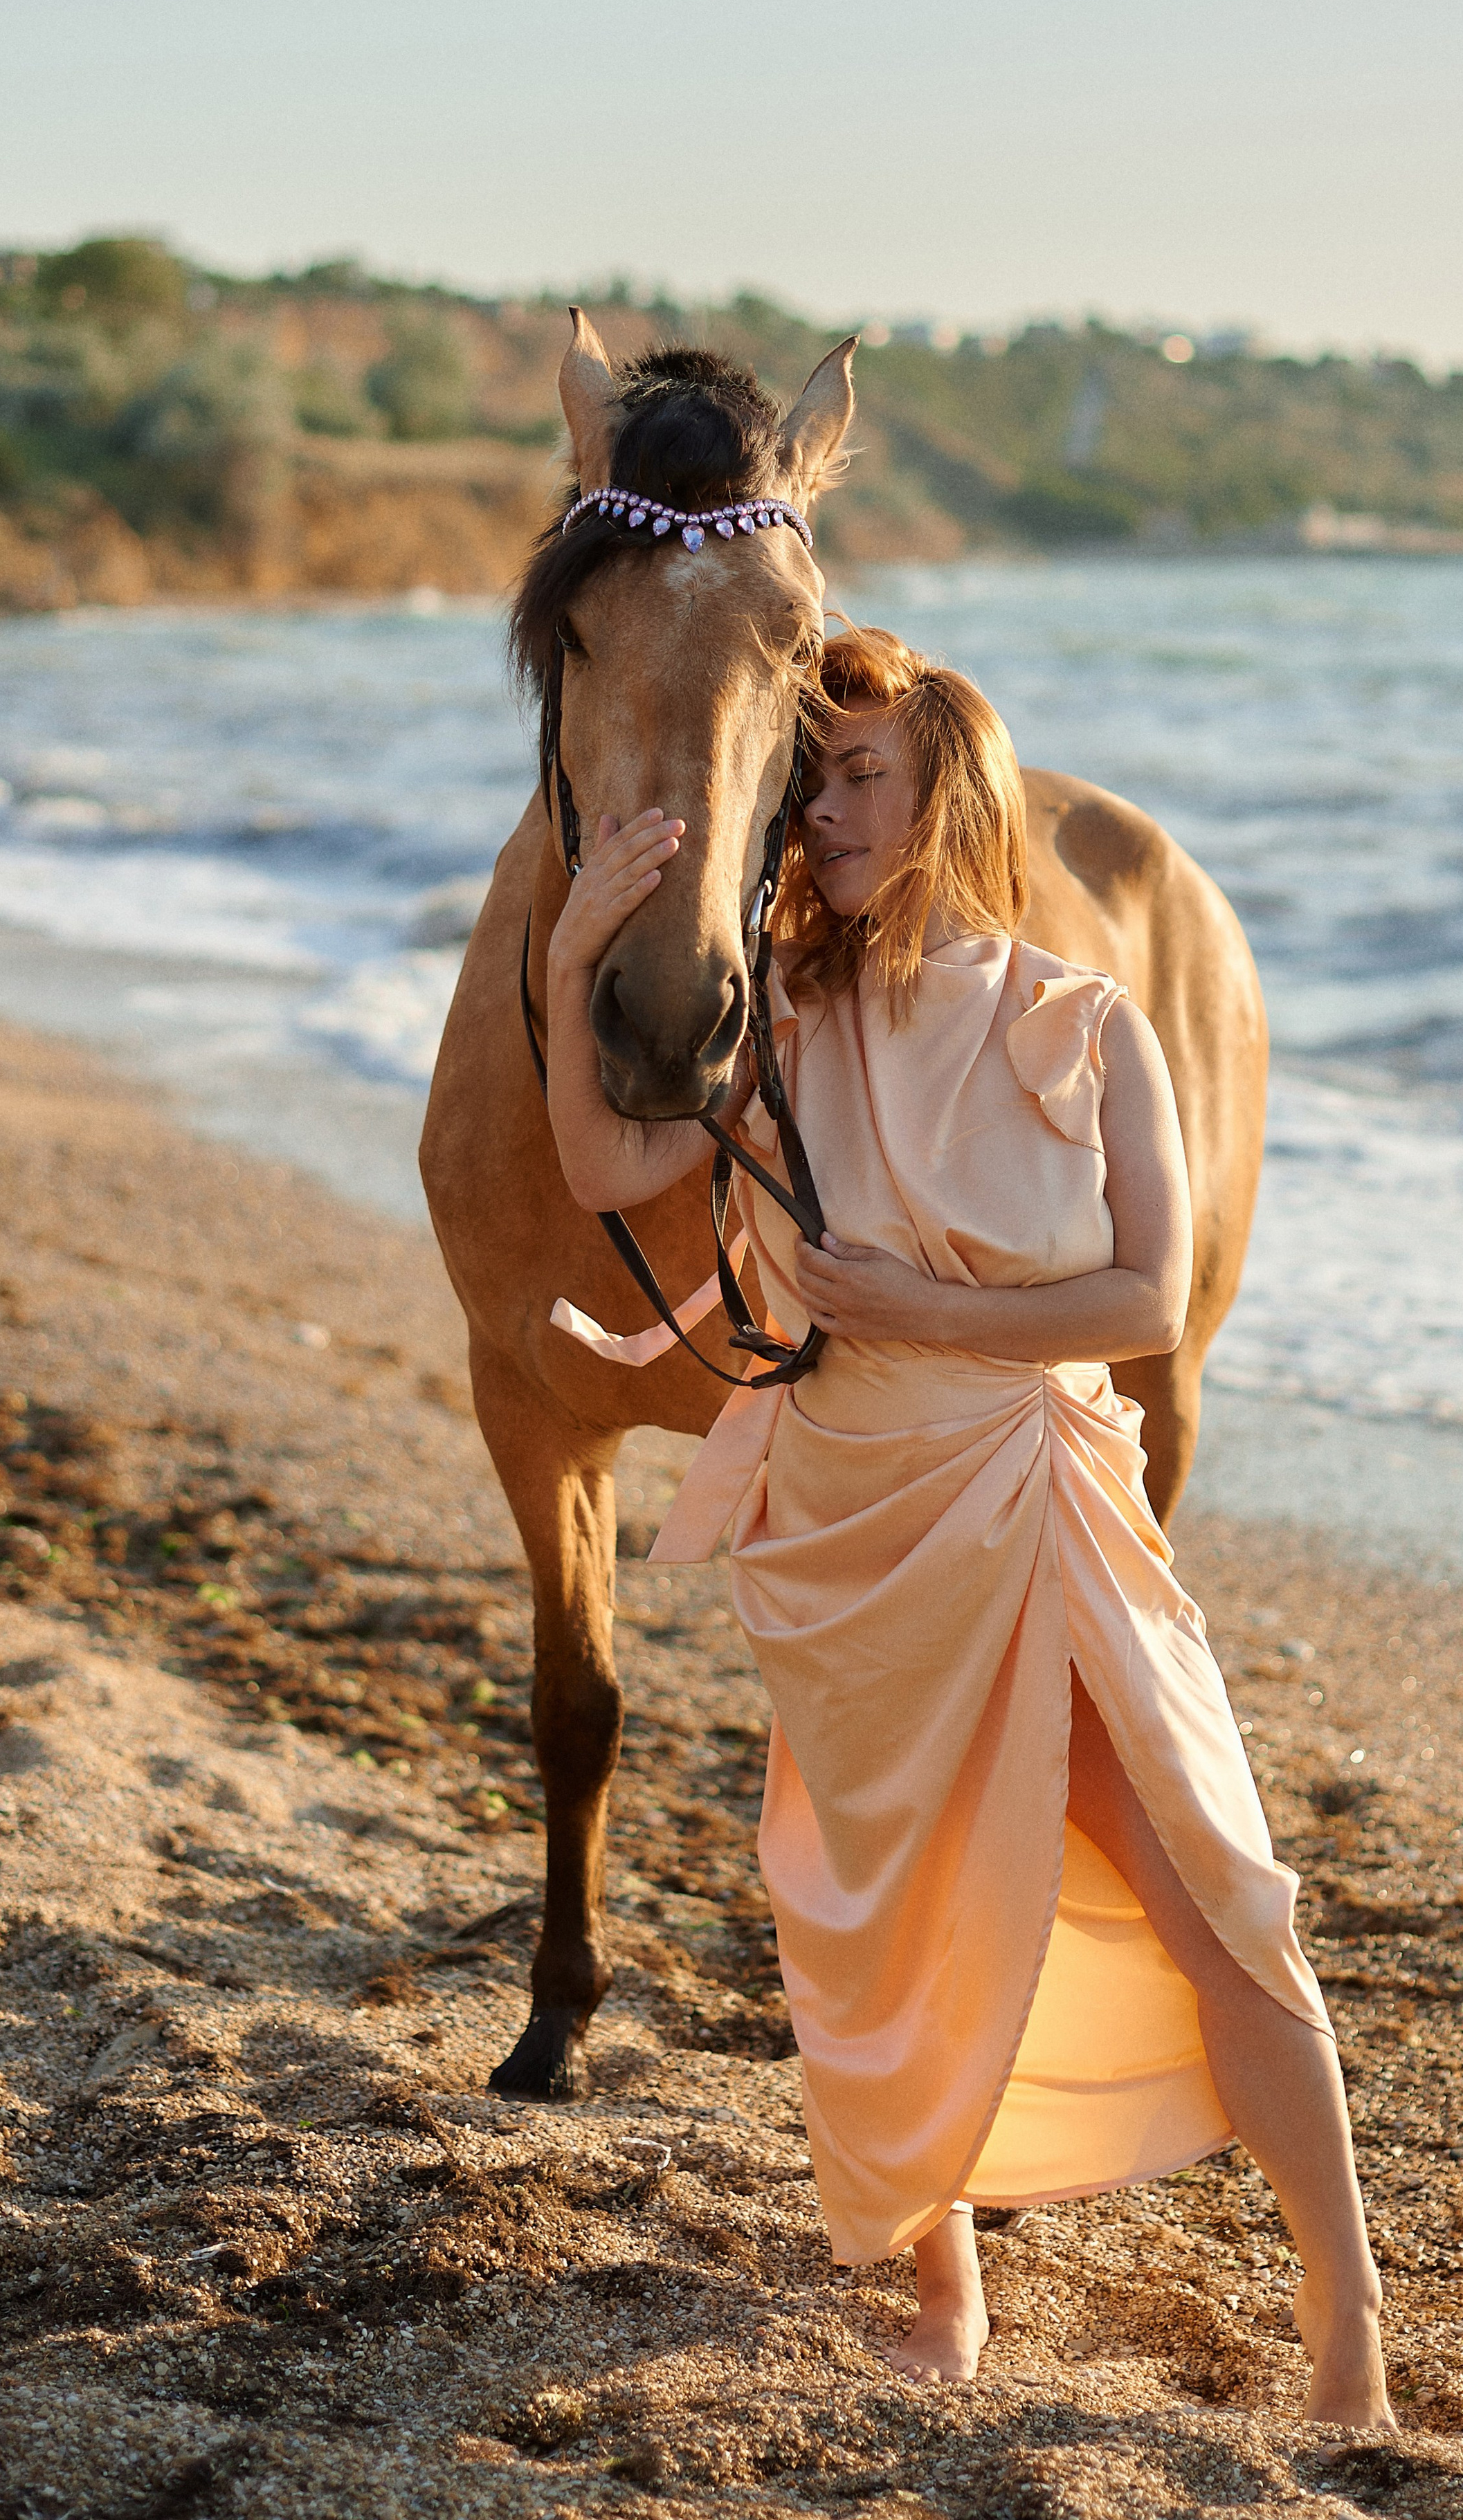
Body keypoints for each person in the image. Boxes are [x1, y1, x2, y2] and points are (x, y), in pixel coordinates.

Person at [543, 626, 1393, 2429]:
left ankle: (1349, 2326)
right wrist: (566, 964)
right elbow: (609, 1170)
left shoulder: (1080, 1024)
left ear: (950, 798)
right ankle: (947, 2272)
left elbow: (1145, 1300)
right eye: (815, 775)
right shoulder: (781, 1021)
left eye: (860, 777)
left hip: (1028, 1510)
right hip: (846, 1539)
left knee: (1220, 1897)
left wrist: (912, 1308)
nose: (824, 807)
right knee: (898, 1919)